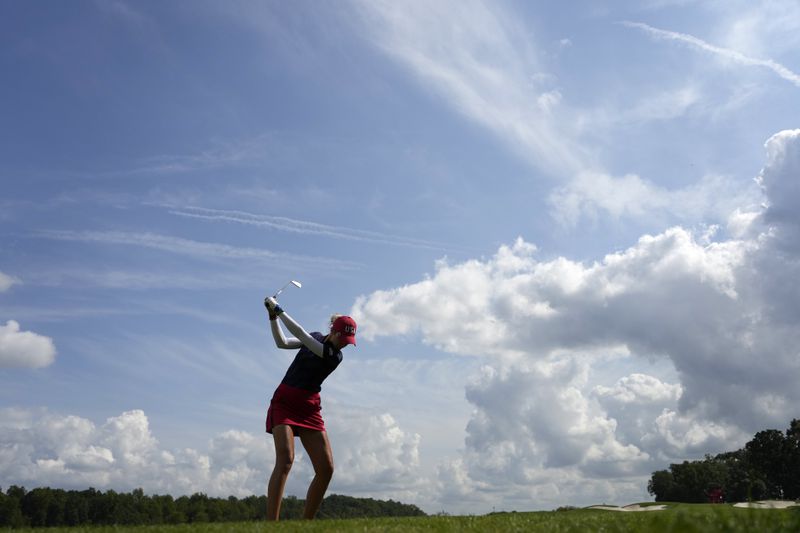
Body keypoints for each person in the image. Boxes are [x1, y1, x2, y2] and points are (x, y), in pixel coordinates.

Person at [263, 296, 357, 520]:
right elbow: (283, 343)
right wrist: (272, 316)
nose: (345, 342)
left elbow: (300, 334)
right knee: (285, 459)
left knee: (326, 469)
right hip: (285, 401)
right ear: (333, 331)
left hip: (309, 408)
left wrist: (279, 309)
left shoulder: (334, 355)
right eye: (343, 337)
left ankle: (306, 524)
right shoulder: (316, 337)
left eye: (349, 339)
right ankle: (271, 524)